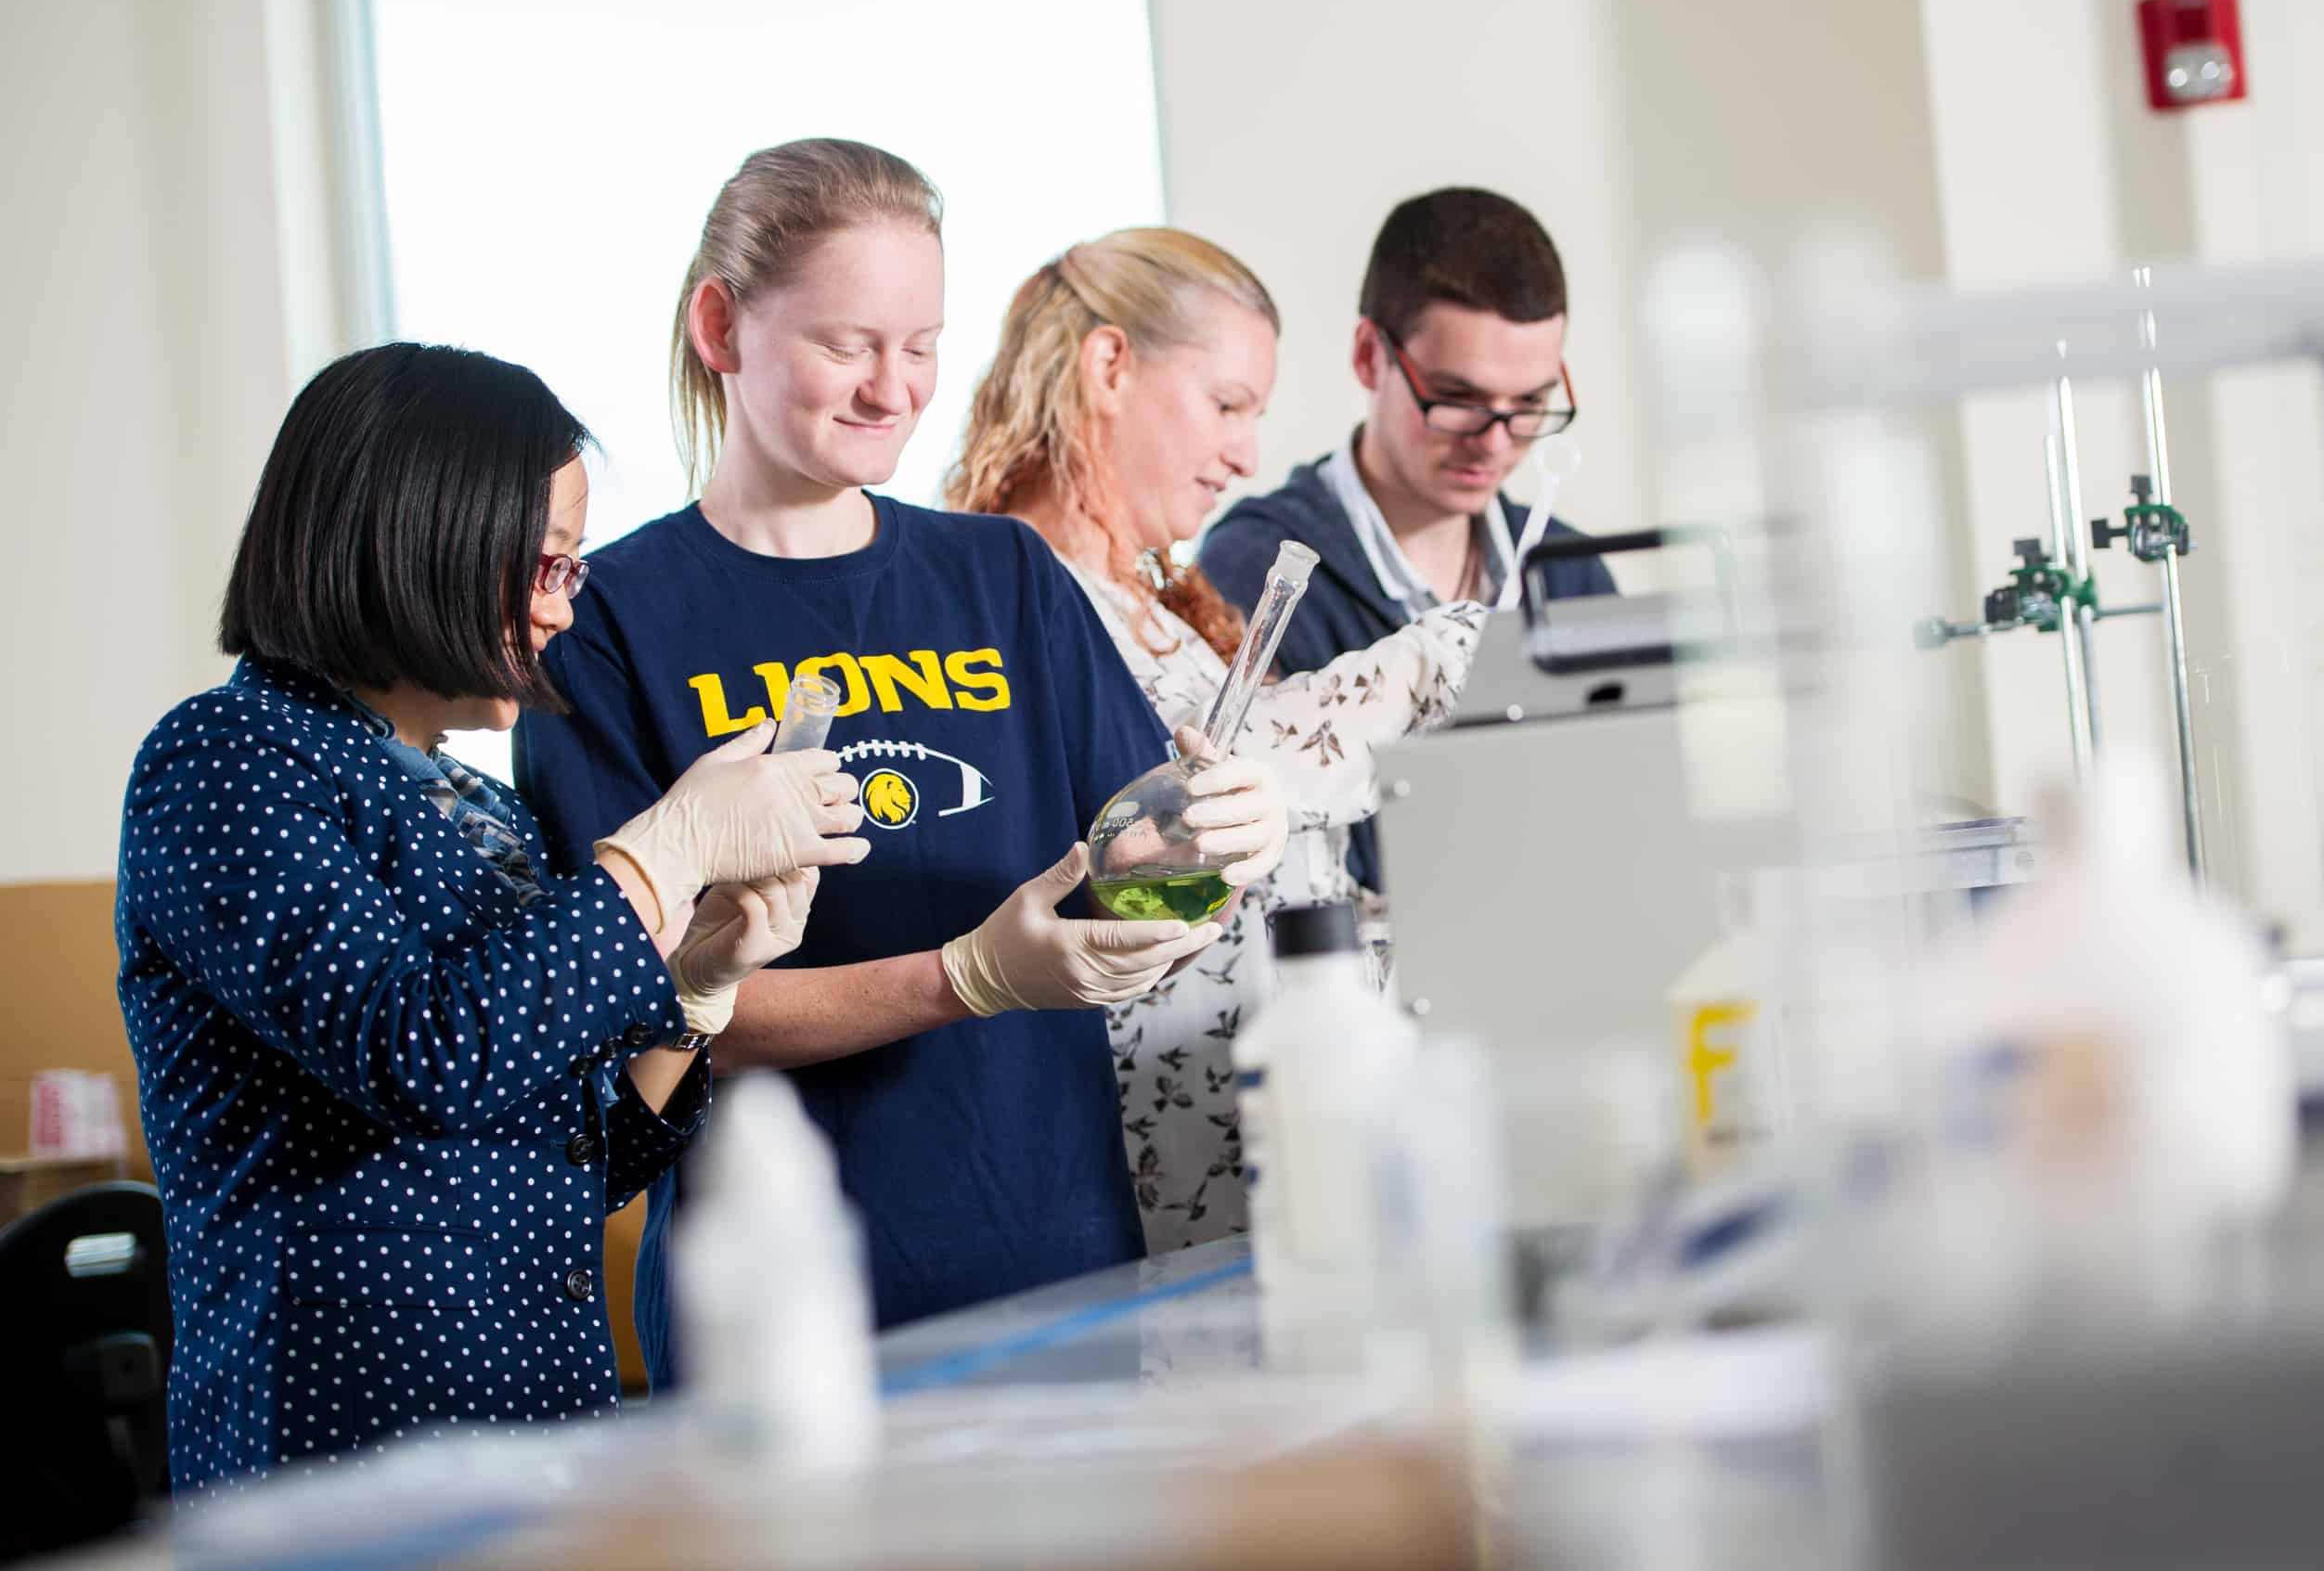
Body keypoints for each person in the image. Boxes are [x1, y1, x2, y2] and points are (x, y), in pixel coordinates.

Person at [512, 139, 1287, 1371]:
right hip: (781, 1315)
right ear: (722, 325)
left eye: (921, 346)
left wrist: (1220, 840)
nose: (893, 388)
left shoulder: (1004, 579)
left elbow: (1124, 881)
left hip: (1061, 1281)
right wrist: (964, 977)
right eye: (845, 344)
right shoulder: (605, 622)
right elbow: (644, 1017)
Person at [115, 343, 860, 1489]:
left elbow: (577, 1160)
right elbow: (423, 1054)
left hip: (540, 1415)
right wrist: (666, 849)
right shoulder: (227, 761)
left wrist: (695, 990)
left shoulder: (481, 805)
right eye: (552, 565)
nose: (569, 606)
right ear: (417, 541)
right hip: (346, 1445)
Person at [945, 226, 1484, 1251]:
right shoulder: (1006, 598)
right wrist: (1415, 668)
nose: (1242, 454)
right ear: (1108, 366)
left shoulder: (1160, 607)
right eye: (1225, 404)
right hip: (1172, 1180)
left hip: (1288, 1127)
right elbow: (1130, 849)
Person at [1199, 187, 1615, 895]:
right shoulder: (1259, 575)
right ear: (1369, 356)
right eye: (1457, 399)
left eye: (1530, 405)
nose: (1494, 441)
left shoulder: (1570, 578)